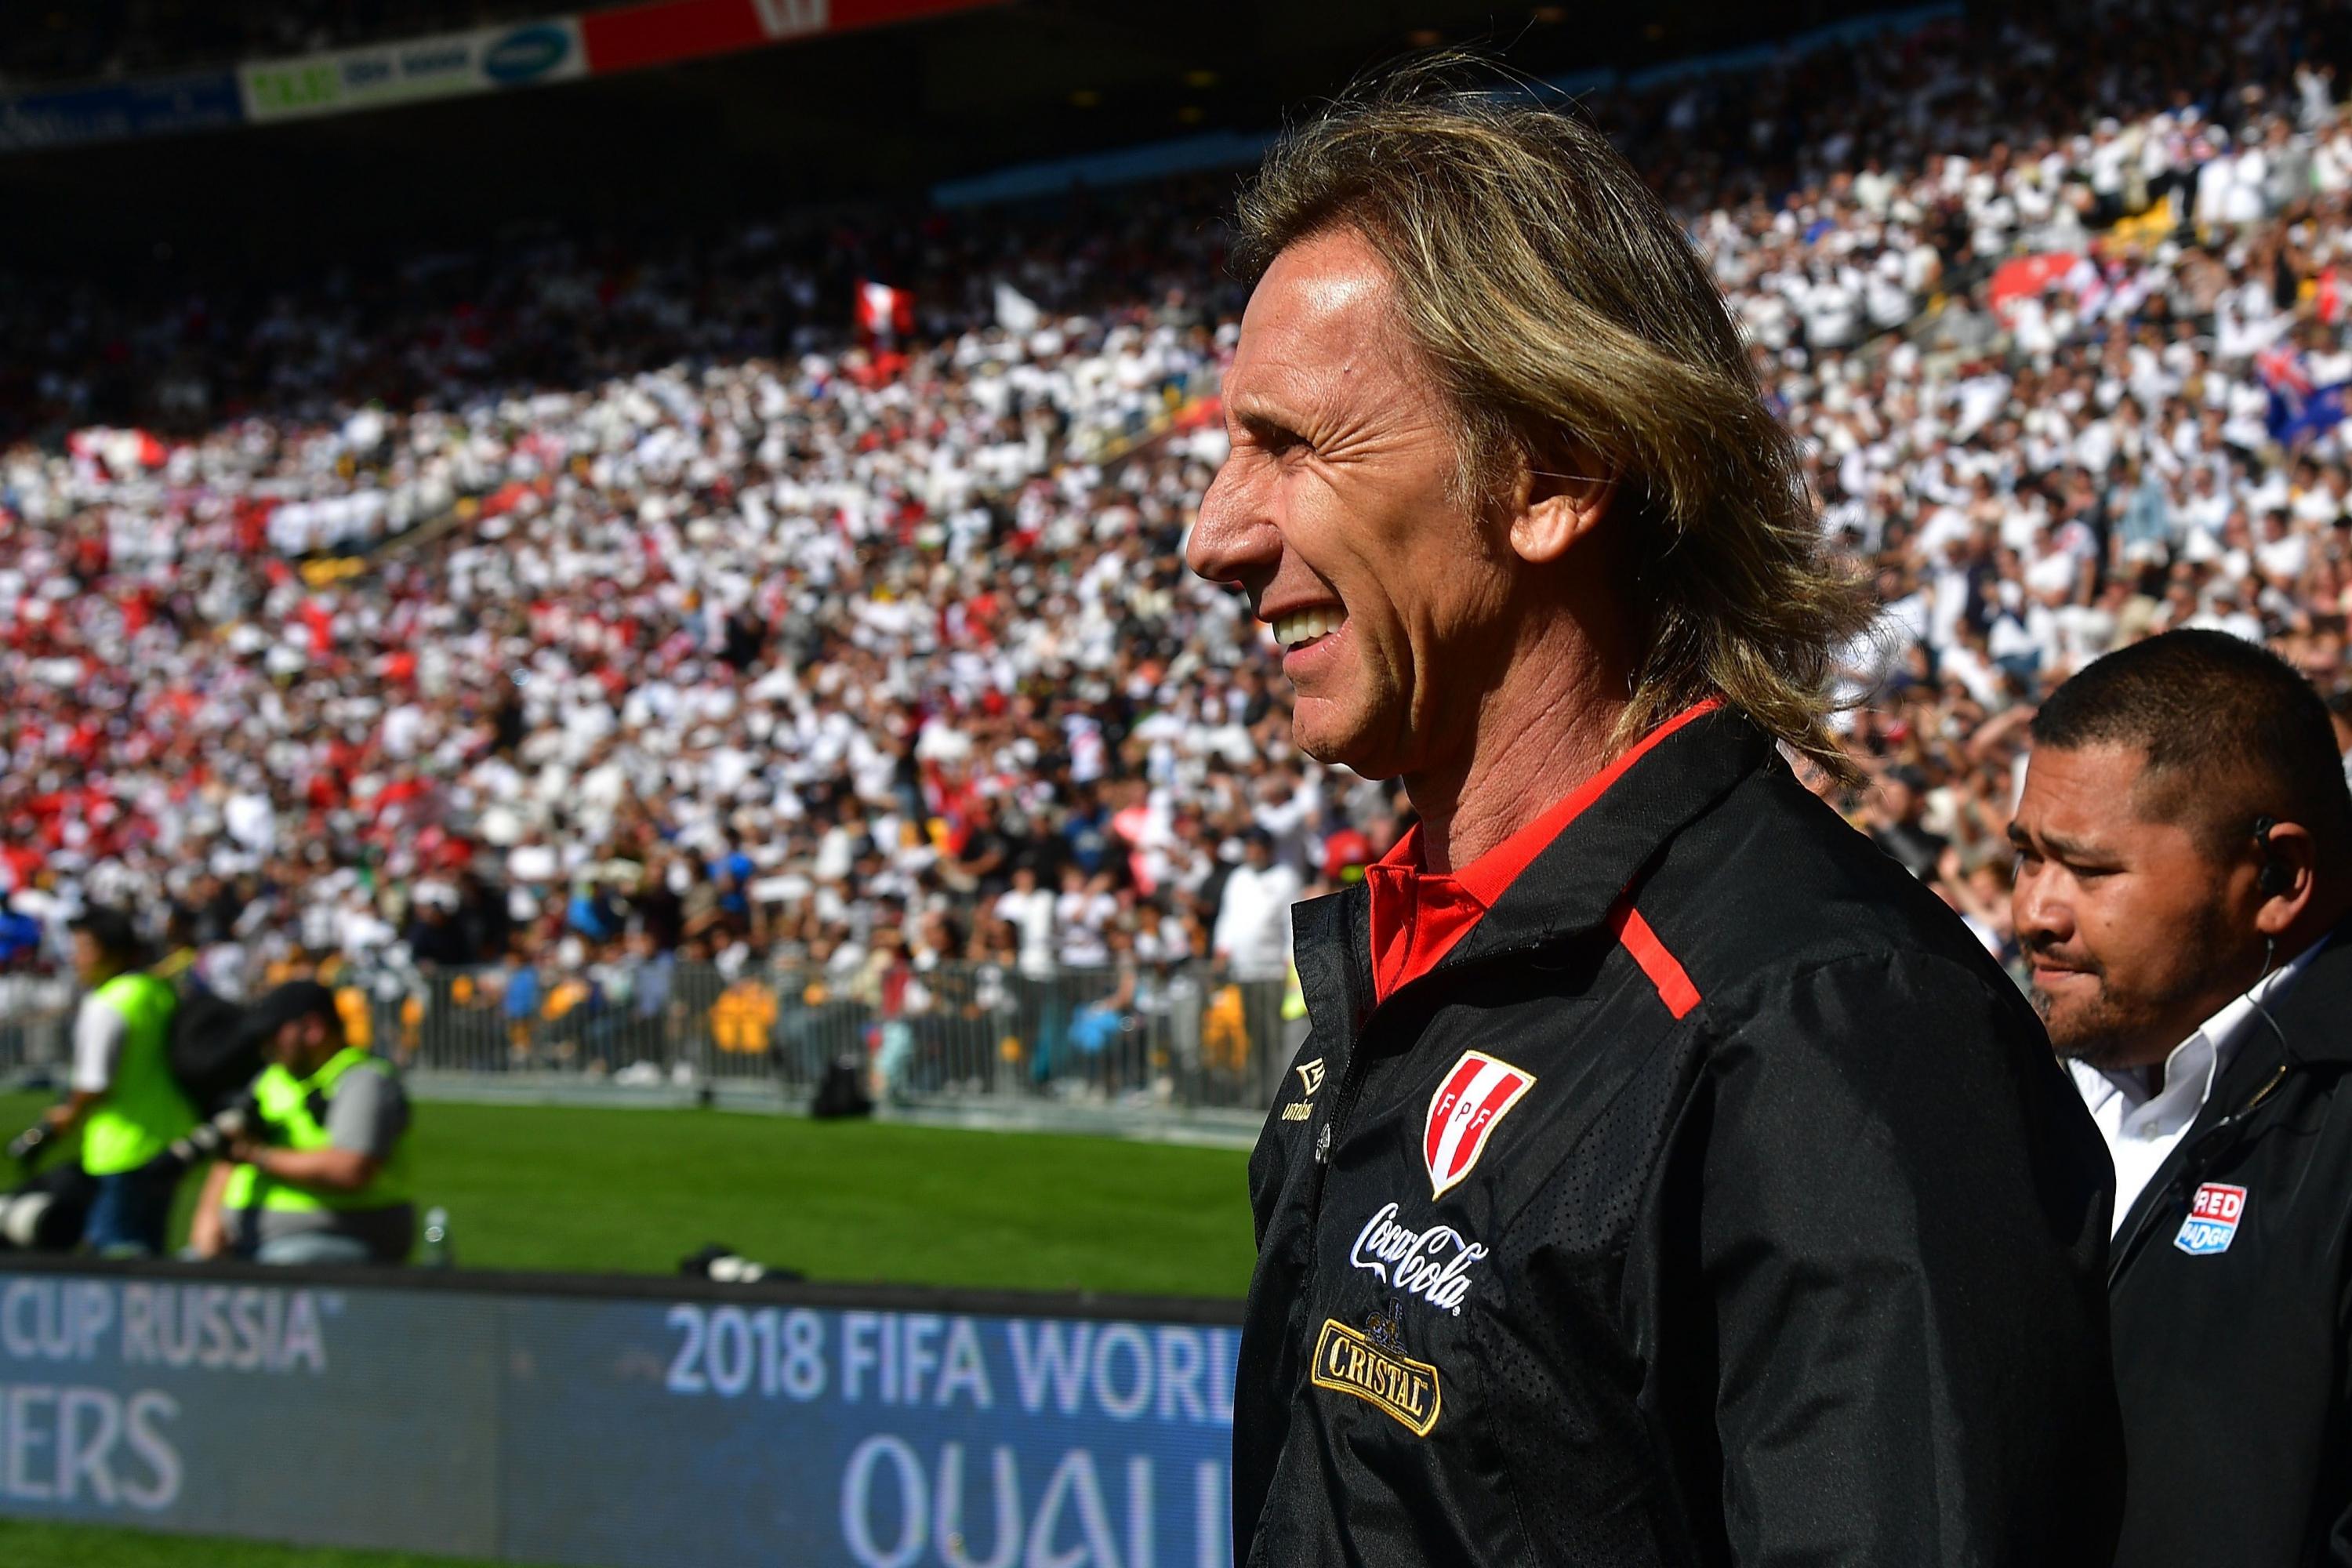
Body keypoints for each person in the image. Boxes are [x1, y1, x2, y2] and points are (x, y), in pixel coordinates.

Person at [1186, 71, 2122, 1566]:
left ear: (1552, 475)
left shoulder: (1826, 1026)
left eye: (1293, 446)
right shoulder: (1419, 956)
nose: (1214, 536)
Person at [2009, 629, 2352, 1568]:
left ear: (2279, 877)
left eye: (2088, 868)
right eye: (2026, 856)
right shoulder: (2023, 1090)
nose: (2034, 910)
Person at [189, 981, 417, 1266]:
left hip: (336, 1236)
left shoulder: (363, 1080)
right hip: (247, 1239)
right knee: (181, 1272)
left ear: (312, 1029)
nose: (266, 1045)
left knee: (277, 1273)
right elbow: (231, 1150)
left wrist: (257, 1156)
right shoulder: (272, 1079)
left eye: (273, 1033)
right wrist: (209, 1217)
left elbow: (351, 1169)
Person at [45, 907, 194, 1256]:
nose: (75, 958)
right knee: (151, 1250)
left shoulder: (107, 1004)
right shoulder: (155, 991)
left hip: (122, 1148)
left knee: (117, 1256)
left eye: (83, 948)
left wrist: (67, 1114)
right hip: (169, 1139)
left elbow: (94, 1083)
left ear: (109, 951)